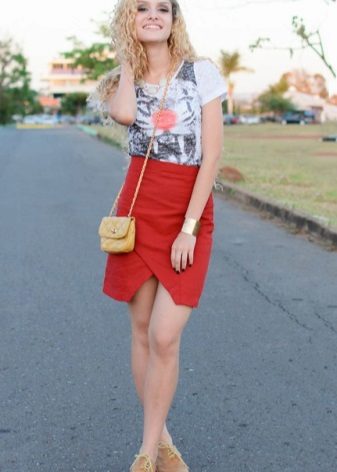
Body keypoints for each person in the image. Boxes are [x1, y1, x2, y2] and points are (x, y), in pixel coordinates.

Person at [87, 0, 227, 470]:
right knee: (143, 332)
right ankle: (158, 444)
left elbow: (210, 158)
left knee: (166, 336)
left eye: (162, 8)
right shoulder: (116, 83)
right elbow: (126, 116)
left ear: (174, 19)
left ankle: (147, 452)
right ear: (128, 19)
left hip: (186, 211)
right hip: (138, 209)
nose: (153, 15)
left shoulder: (201, 74)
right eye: (141, 8)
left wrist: (189, 227)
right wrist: (129, 64)